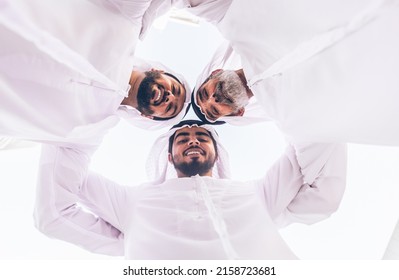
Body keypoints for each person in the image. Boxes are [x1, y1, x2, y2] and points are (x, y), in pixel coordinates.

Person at [34, 120, 347, 259]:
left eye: (202, 136)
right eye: (182, 138)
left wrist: (255, 101)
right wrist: (86, 117)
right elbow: (55, 211)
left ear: (217, 151)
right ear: (168, 156)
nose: (193, 140)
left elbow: (318, 137)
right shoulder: (134, 201)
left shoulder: (258, 194)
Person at [188, 0, 399, 146]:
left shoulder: (237, 23)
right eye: (214, 111)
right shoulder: (293, 120)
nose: (213, 99)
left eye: (205, 94)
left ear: (216, 71)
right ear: (238, 113)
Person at [0, 0, 191, 146]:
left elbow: (62, 192)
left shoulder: (90, 134)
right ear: (158, 71)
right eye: (174, 89)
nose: (170, 97)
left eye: (170, 108)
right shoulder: (128, 21)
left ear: (148, 117)